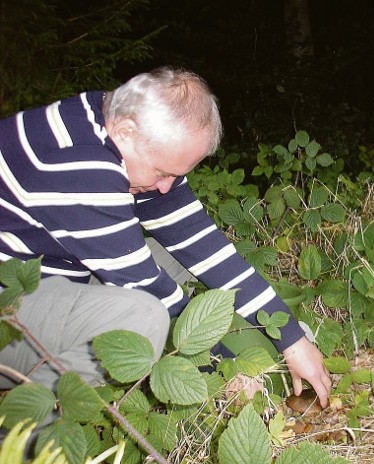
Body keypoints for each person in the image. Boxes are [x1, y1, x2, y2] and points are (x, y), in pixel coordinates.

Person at [0, 66, 331, 406]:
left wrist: (293, 340)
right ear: (127, 131)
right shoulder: (78, 162)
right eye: (162, 172)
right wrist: (226, 368)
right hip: (6, 317)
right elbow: (148, 290)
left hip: (38, 284)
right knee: (145, 318)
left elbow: (204, 248)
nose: (165, 187)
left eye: (176, 174)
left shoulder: (109, 123)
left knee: (175, 258)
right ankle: (22, 431)